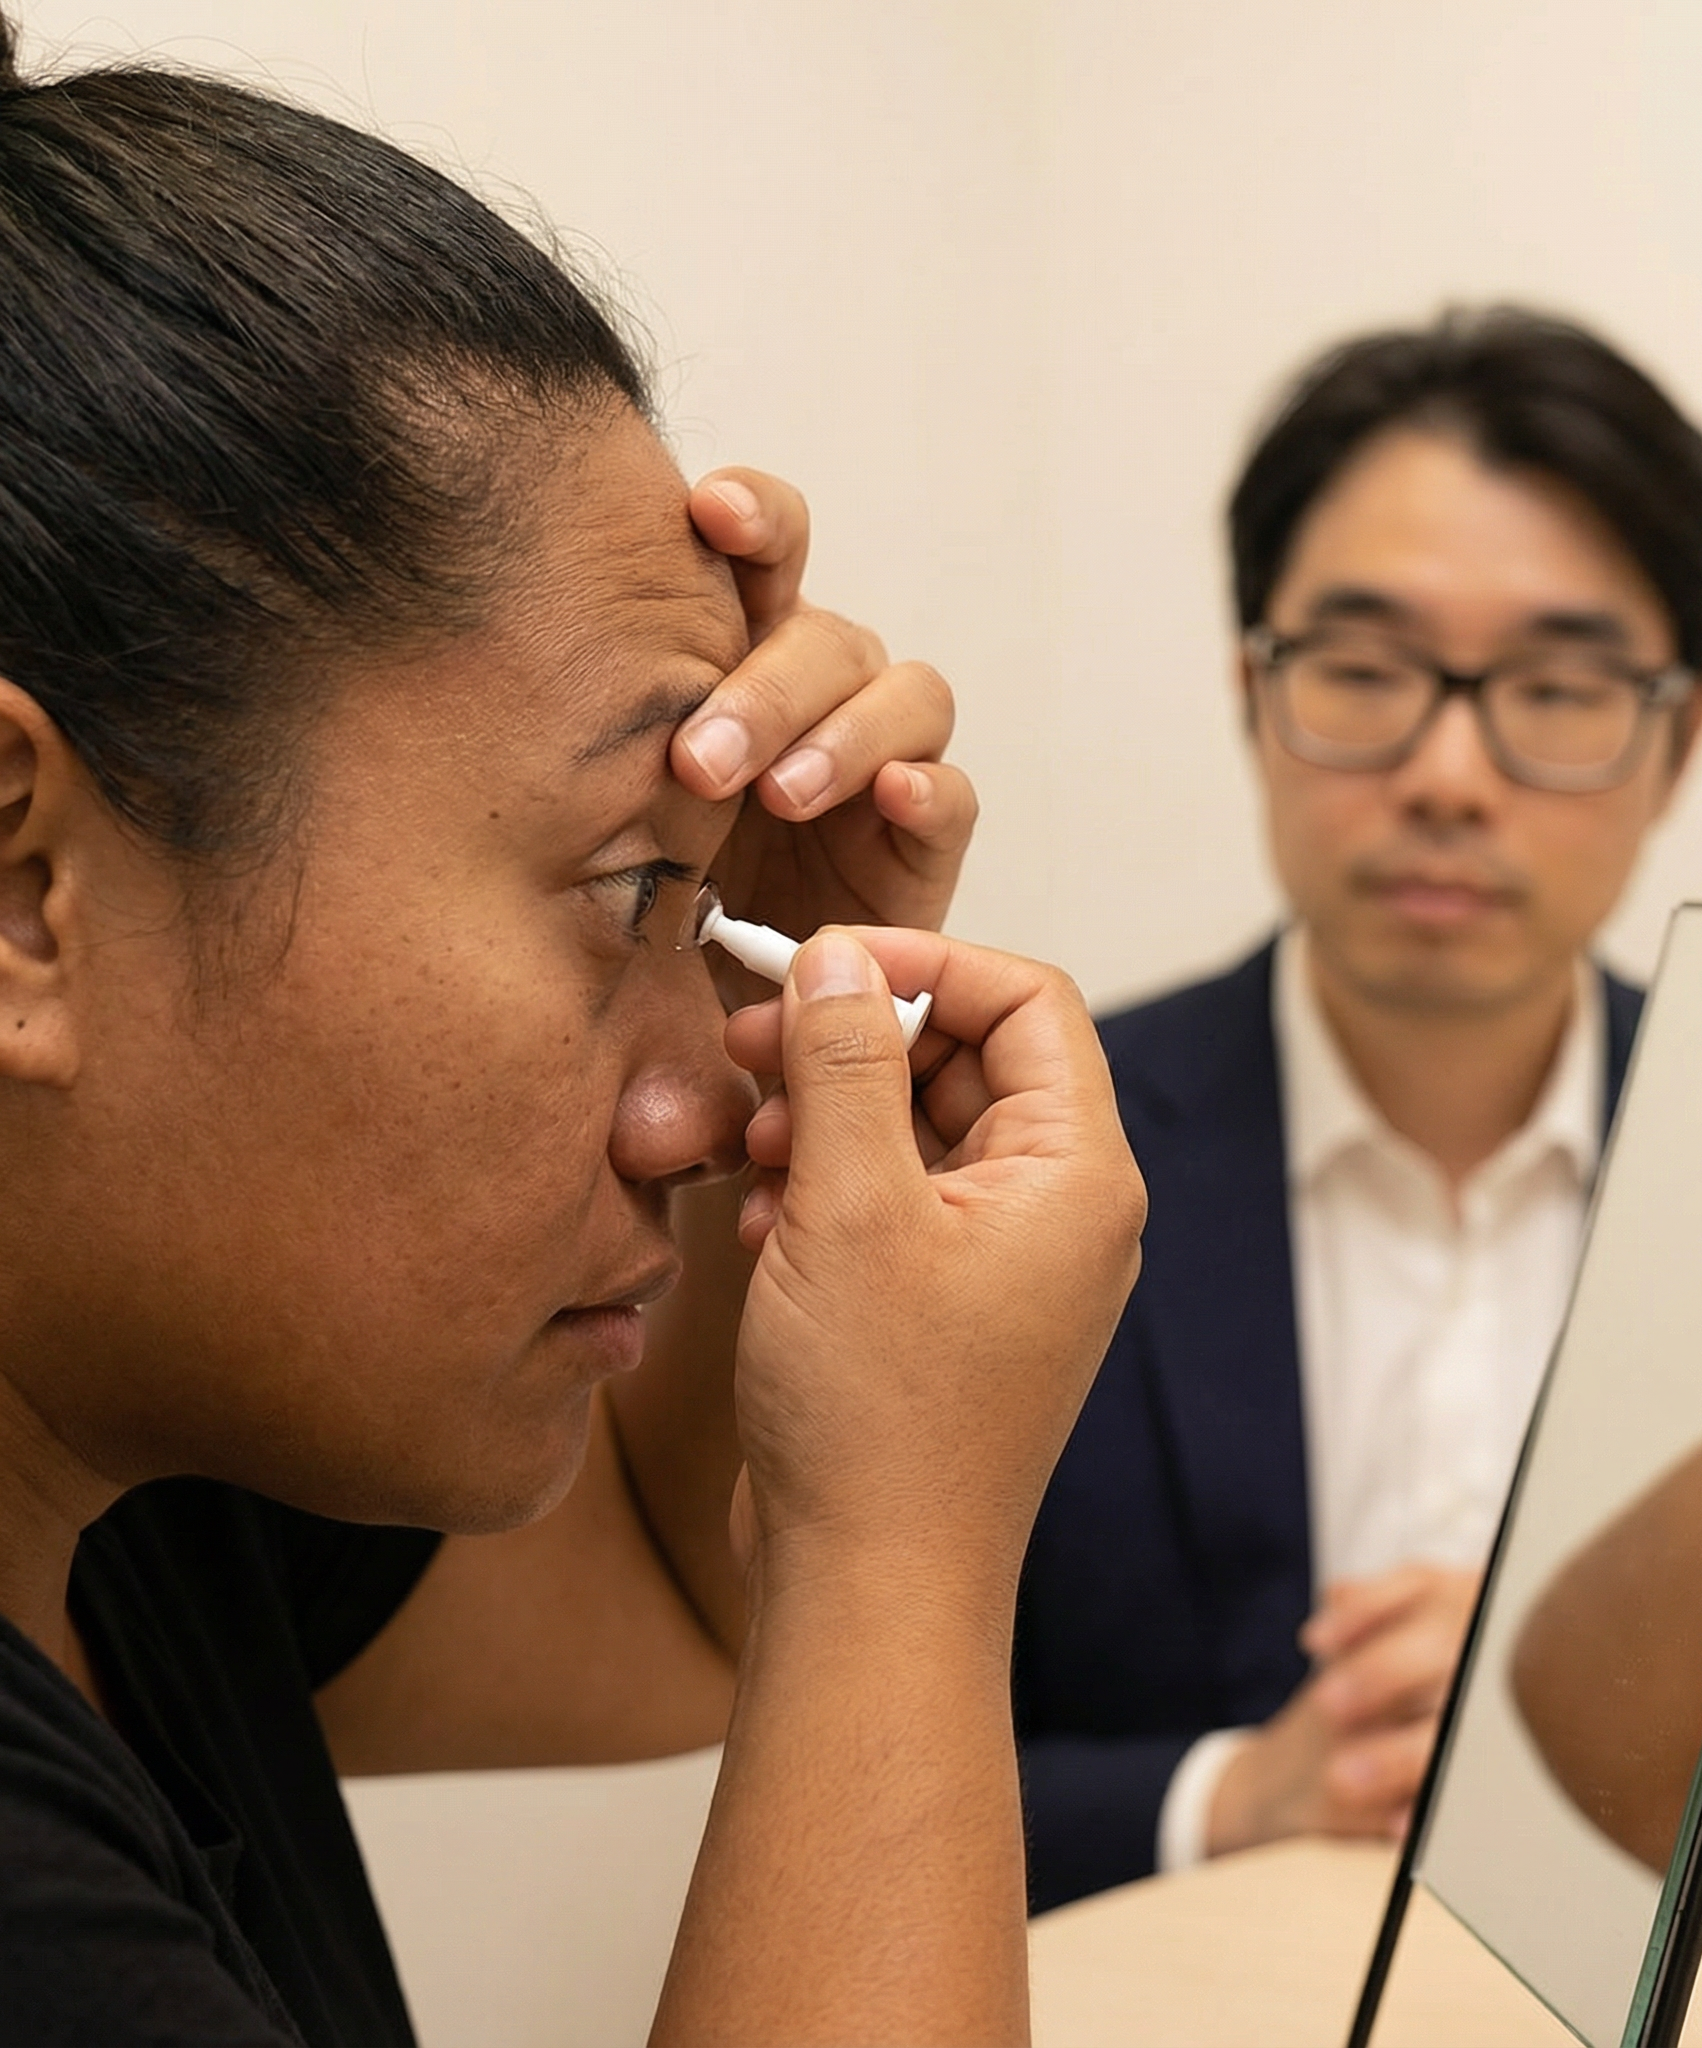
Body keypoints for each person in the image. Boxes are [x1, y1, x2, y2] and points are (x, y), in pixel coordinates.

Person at [0, 21, 1145, 2046]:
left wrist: (768, 961)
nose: (711, 1095)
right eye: (627, 891)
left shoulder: (127, 1490)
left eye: (699, 915)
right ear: (23, 895)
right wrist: (902, 1547)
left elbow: (675, 1594)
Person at [1013, 307, 1702, 1910]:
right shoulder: (1027, 1137)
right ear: (1253, 693)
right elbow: (854, 1755)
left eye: (1557, 689)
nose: (1449, 774)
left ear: (1676, 742)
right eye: (1365, 671)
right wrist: (1236, 1793)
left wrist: (1611, 1730)